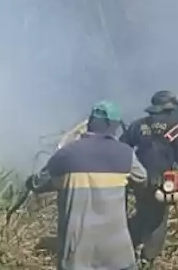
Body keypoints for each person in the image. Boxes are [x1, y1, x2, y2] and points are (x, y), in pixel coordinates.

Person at [26, 100, 148, 270]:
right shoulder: (125, 154)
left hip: (77, 256)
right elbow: (142, 179)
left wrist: (31, 182)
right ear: (113, 126)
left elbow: (38, 183)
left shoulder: (66, 155)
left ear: (90, 123)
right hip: (118, 254)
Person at [121, 90, 178, 264]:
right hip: (164, 182)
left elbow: (122, 148)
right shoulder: (176, 129)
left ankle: (127, 243)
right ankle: (147, 258)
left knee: (143, 211)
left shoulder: (137, 125)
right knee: (159, 219)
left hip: (139, 179)